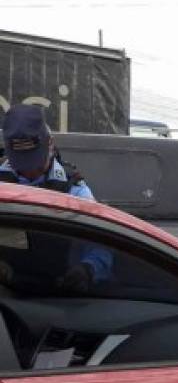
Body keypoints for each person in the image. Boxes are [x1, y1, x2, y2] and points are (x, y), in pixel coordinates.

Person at [0, 103, 111, 291]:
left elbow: (101, 244)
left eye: (34, 162)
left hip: (55, 297)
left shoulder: (74, 190)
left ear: (50, 144)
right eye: (22, 163)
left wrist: (88, 269)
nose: (29, 171)